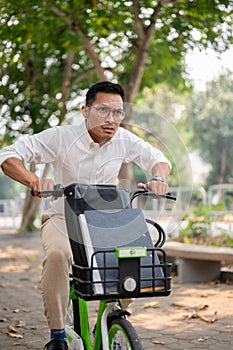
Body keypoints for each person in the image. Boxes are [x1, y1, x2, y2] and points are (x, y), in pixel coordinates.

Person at [0, 81, 171, 350]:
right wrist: (34, 180)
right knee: (57, 255)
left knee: (141, 248)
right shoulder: (60, 137)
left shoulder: (124, 139)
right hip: (62, 217)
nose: (111, 119)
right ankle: (57, 335)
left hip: (105, 221)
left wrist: (159, 178)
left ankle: (113, 315)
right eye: (102, 110)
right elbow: (9, 155)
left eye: (117, 113)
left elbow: (158, 158)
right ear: (85, 110)